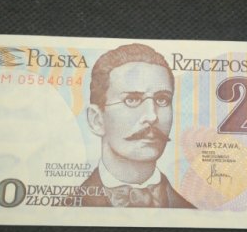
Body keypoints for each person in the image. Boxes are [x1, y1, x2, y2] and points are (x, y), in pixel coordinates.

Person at [81, 43, 194, 208]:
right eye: (132, 100)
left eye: (162, 99)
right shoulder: (66, 208)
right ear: (96, 120)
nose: (152, 116)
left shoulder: (192, 212)